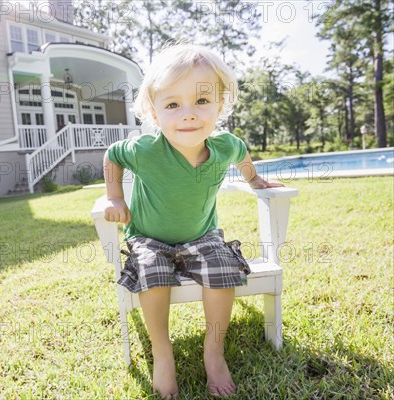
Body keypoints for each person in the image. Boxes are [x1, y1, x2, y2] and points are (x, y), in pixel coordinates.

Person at [103, 44, 284, 399]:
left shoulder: (224, 146)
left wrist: (256, 181)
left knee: (221, 271)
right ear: (155, 114)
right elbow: (113, 155)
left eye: (202, 101)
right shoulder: (146, 150)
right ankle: (162, 351)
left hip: (201, 235)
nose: (188, 114)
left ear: (220, 105)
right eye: (172, 104)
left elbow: (242, 154)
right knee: (151, 272)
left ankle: (214, 351)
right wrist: (115, 197)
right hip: (148, 236)